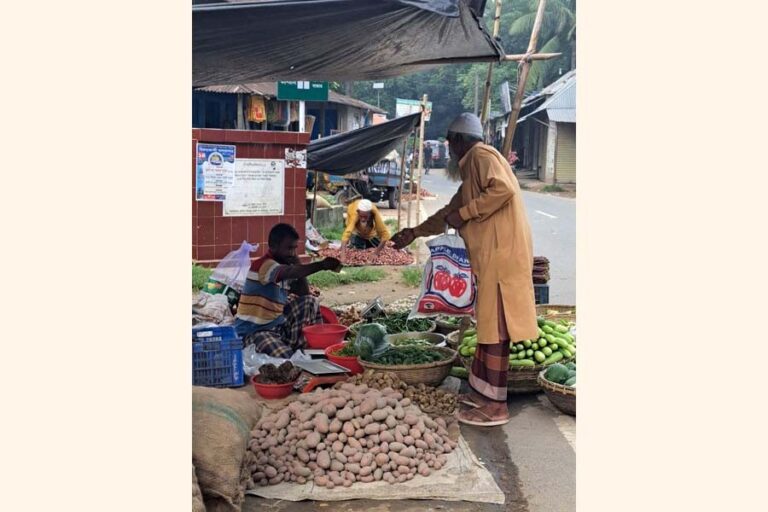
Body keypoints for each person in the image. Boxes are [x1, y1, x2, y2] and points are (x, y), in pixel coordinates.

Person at [391, 113, 538, 427]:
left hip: (502, 256)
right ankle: (482, 393)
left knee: (496, 331)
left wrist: (468, 213)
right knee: (487, 327)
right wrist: (414, 232)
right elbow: (449, 213)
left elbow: (503, 190)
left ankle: (496, 406)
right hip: (491, 258)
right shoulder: (472, 167)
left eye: (449, 142)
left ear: (457, 140)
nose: (448, 149)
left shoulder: (482, 156)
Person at [234, 223, 342, 357]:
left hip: (277, 327)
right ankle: (291, 351)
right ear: (273, 246)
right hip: (253, 333)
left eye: (295, 248)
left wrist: (295, 260)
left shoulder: (285, 264)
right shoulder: (265, 265)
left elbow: (304, 294)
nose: (292, 253)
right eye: (289, 248)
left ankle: (307, 347)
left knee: (310, 302)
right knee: (287, 360)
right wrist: (322, 265)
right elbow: (291, 272)